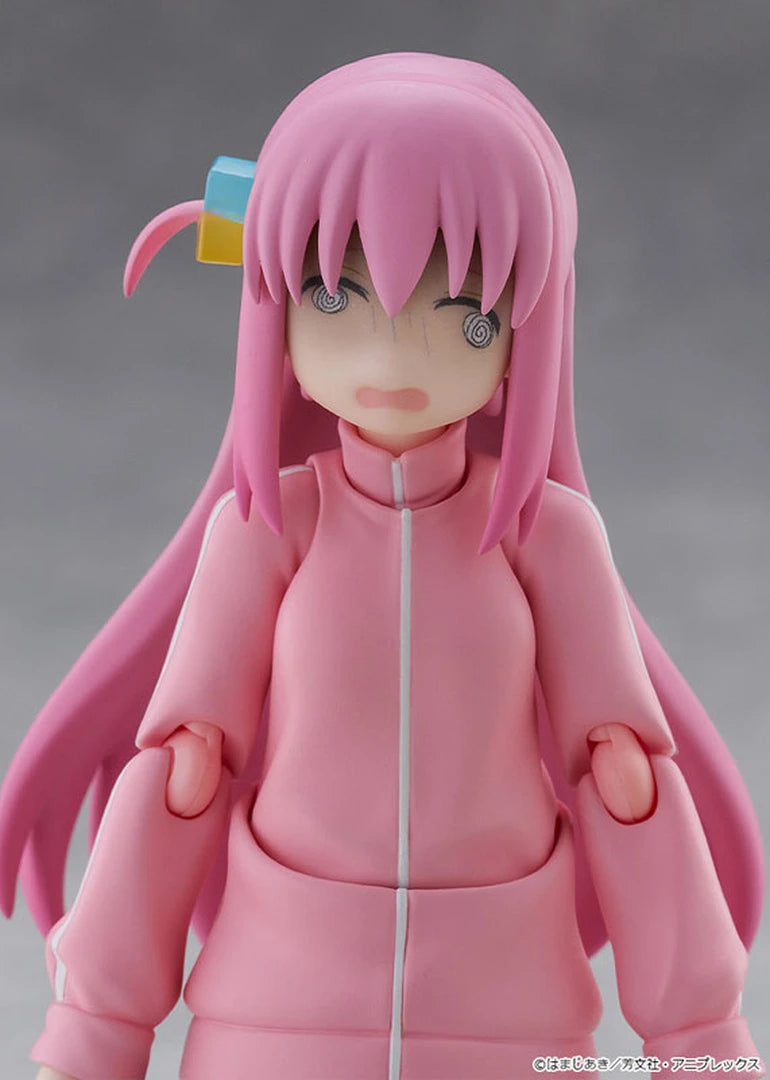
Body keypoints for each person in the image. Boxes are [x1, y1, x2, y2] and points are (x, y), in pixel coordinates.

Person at [0, 52, 764, 1080]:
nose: (391, 356)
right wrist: (95, 1032)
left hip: (509, 1017)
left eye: (467, 316)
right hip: (275, 1015)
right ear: (274, 307)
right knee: (184, 763)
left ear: (526, 330)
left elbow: (625, 783)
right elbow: (183, 777)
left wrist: (698, 1042)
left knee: (626, 769)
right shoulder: (267, 528)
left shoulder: (546, 536)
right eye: (335, 298)